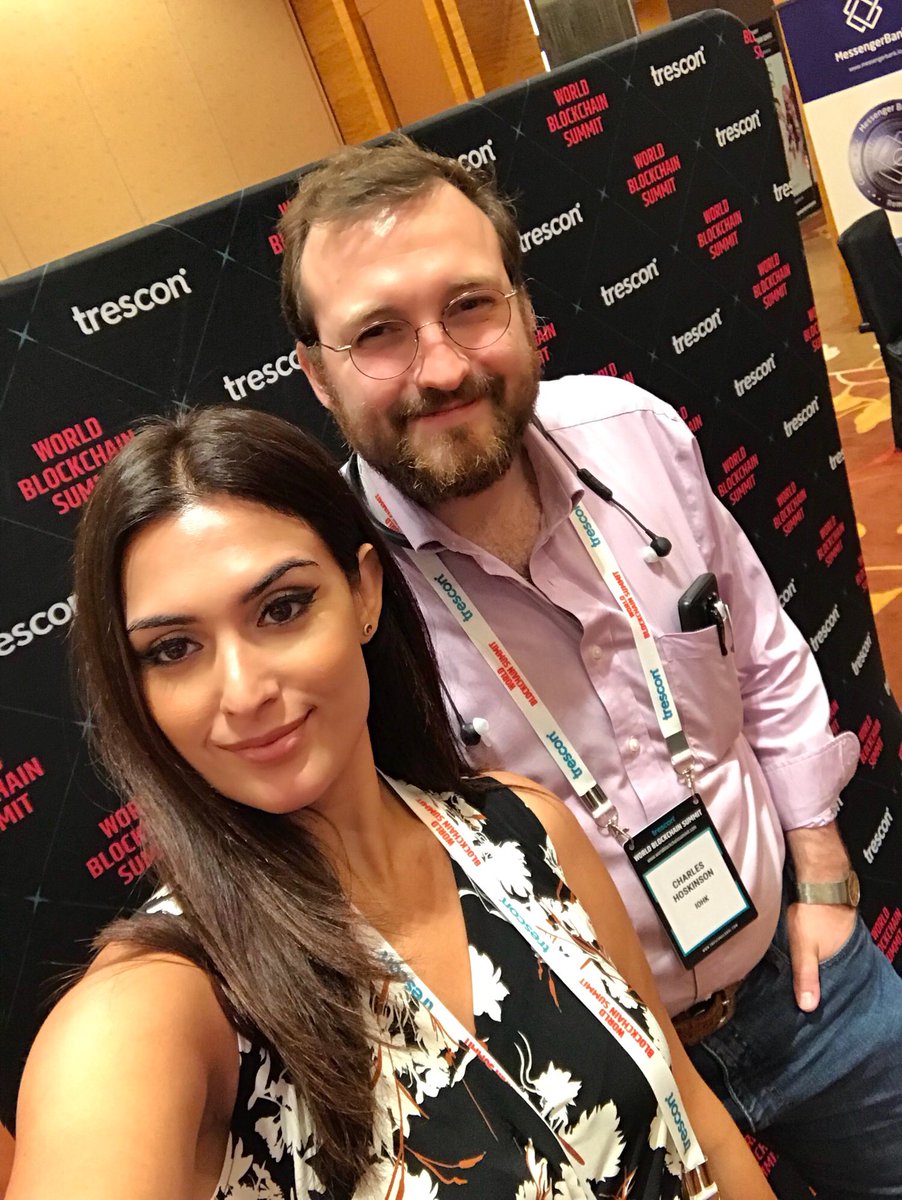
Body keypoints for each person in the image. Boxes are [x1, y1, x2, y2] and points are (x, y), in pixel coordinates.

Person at [277, 135, 902, 1197]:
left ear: (523, 307)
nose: (442, 366)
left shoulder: (633, 435)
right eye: (378, 333)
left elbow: (759, 645)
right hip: (598, 1093)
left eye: (469, 305)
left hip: (808, 987)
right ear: (318, 378)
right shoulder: (323, 599)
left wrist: (824, 869)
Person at [7, 407, 774, 1200]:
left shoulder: (524, 832)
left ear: (365, 592)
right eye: (174, 650)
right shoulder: (155, 1007)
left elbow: (689, 1111)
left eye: (282, 608)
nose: (244, 692)